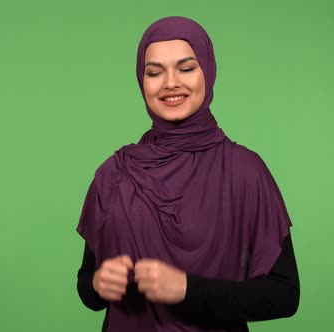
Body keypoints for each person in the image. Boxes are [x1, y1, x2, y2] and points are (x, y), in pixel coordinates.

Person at [76, 16, 299, 332]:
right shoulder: (115, 173)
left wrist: (187, 289)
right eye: (154, 72)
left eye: (186, 68)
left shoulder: (244, 171)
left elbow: (284, 295)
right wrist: (99, 283)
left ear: (207, 71)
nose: (170, 83)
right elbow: (88, 285)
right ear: (142, 81)